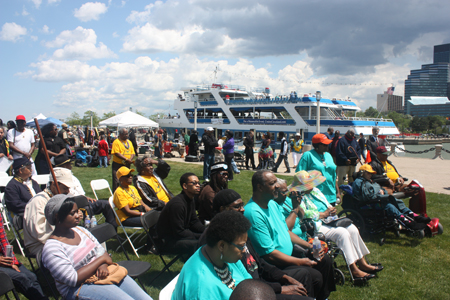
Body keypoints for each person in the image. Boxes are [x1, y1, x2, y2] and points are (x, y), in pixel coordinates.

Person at [244, 170, 336, 300]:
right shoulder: (253, 213)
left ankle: (323, 297)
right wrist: (300, 262)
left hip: (289, 254)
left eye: (276, 182)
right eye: (272, 183)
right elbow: (269, 255)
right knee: (312, 275)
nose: (277, 186)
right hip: (275, 264)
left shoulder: (271, 204)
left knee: (323, 260)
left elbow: (286, 232)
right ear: (259, 187)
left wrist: (310, 246)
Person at [41, 194, 152, 300]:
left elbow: (101, 251)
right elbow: (73, 279)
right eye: (72, 213)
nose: (78, 215)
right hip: (78, 287)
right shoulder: (52, 248)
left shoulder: (81, 230)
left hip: (104, 273)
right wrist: (101, 260)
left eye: (77, 211)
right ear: (57, 217)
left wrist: (103, 264)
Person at [211, 189, 315, 300]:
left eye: (242, 205)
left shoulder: (239, 230)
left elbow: (260, 263)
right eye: (237, 206)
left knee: (305, 275)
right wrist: (280, 288)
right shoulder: (225, 243)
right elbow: (244, 283)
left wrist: (284, 277)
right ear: (223, 209)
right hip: (253, 292)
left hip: (262, 279)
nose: (242, 209)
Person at [278, 173, 382, 281]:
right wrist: (323, 214)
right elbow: (304, 214)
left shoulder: (316, 191)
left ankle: (362, 262)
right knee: (342, 233)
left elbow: (327, 204)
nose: (310, 186)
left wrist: (331, 209)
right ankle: (353, 269)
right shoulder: (297, 196)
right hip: (316, 224)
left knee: (353, 229)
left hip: (329, 220)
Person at [172, 210, 252, 300]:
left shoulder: (227, 256)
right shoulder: (202, 287)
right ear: (222, 245)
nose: (244, 250)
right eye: (241, 246)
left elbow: (249, 284)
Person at [352, 165, 428, 230]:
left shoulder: (369, 181)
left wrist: (382, 192)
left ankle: (412, 215)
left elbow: (381, 189)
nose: (370, 175)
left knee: (397, 201)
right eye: (369, 173)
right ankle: (407, 222)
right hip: (368, 204)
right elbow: (367, 196)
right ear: (362, 173)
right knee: (389, 206)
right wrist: (379, 193)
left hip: (378, 199)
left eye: (371, 173)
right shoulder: (359, 182)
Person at [53, 154, 117, 229]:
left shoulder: (73, 177)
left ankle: (112, 229)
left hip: (83, 200)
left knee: (106, 204)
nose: (71, 166)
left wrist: (86, 197)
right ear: (63, 167)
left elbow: (81, 193)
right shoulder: (57, 181)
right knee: (86, 209)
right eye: (68, 165)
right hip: (72, 205)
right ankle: (91, 231)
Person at [23, 167, 74, 255]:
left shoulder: (60, 198)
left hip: (60, 238)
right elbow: (40, 233)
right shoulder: (38, 201)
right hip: (41, 245)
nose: (67, 191)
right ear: (54, 185)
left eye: (68, 188)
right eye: (65, 188)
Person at [0, 213, 48, 300]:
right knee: (21, 278)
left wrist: (12, 261)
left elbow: (3, 239)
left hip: (3, 258)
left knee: (31, 276)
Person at [156, 173, 205, 257]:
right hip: (167, 242)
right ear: (185, 186)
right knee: (203, 244)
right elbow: (179, 232)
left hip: (178, 236)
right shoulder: (178, 205)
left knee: (206, 240)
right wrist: (201, 237)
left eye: (198, 183)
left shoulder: (190, 199)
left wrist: (206, 231)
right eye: (194, 183)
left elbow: (194, 221)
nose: (198, 185)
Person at [296, 134, 341, 206]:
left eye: (327, 144)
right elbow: (299, 176)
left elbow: (333, 176)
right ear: (317, 145)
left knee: (331, 216)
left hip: (331, 196)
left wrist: (337, 192)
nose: (327, 146)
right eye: (324, 144)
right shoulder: (308, 155)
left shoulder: (328, 155)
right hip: (316, 197)